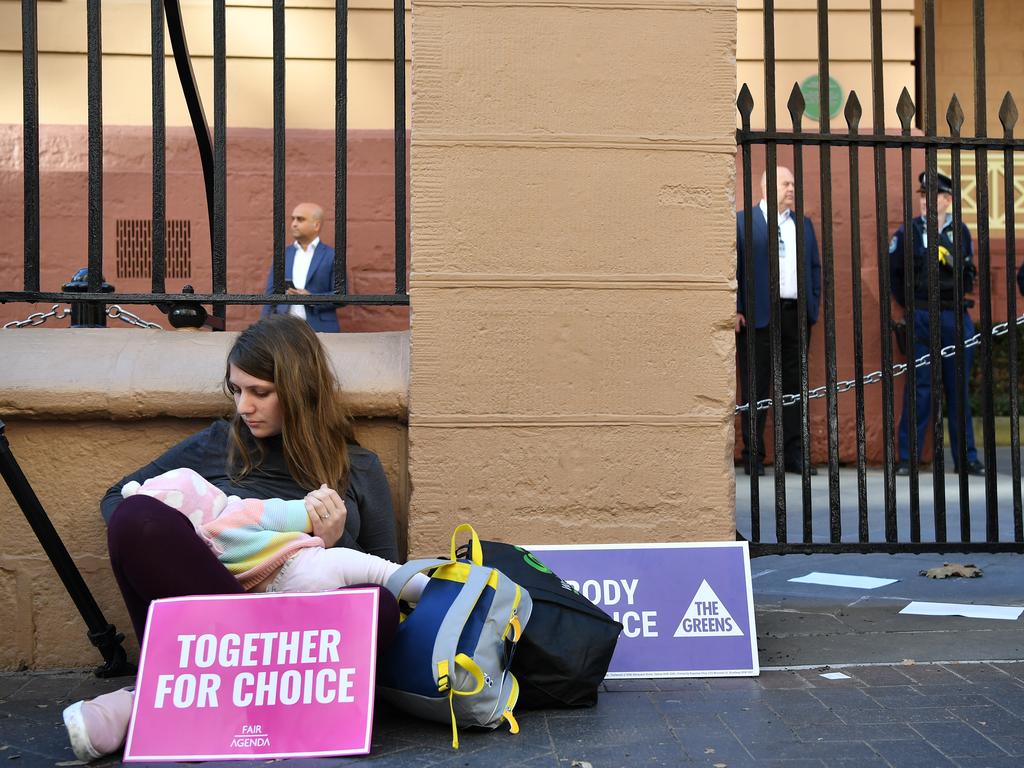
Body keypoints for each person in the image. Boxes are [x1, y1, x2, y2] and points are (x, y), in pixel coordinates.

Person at [62, 314, 400, 761]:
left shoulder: (359, 468)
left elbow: (389, 578)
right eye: (236, 390)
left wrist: (334, 541)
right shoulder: (218, 443)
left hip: (296, 641)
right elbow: (116, 499)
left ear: (300, 392)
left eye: (260, 392)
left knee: (383, 608)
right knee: (137, 516)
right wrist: (204, 526)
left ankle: (155, 701)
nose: (244, 407)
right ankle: (230, 699)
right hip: (213, 624)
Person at [890, 171, 984, 476]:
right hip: (921, 314)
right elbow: (895, 274)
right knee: (920, 388)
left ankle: (967, 458)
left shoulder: (961, 232)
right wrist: (911, 306)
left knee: (958, 390)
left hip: (953, 315)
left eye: (931, 196)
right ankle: (908, 458)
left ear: (947, 200)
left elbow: (968, 272)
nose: (924, 201)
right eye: (921, 195)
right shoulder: (909, 232)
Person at [736, 166, 822, 476]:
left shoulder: (803, 225)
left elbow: (814, 268)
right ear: (766, 187)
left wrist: (811, 304)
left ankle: (794, 456)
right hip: (757, 316)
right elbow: (732, 268)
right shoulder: (744, 223)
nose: (791, 188)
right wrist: (736, 307)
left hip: (795, 316)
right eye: (786, 183)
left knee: (793, 387)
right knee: (755, 387)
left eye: (793, 183)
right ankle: (753, 456)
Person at [261, 202, 341, 332]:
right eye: (293, 219)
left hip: (320, 329)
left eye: (300, 219)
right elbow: (270, 295)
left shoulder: (332, 255)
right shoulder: (283, 255)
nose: (294, 224)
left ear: (316, 225)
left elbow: (341, 296)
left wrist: (312, 298)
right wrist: (263, 327)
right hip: (284, 329)